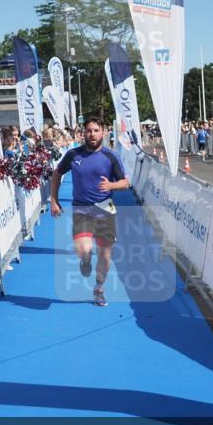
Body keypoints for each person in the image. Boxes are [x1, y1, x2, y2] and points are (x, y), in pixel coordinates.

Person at [50, 118, 129, 307]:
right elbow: (56, 173)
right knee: (84, 251)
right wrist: (54, 200)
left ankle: (99, 289)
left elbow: (126, 183)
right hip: (81, 208)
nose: (92, 134)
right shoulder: (73, 155)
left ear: (102, 132)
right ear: (83, 134)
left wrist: (111, 185)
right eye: (88, 131)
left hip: (105, 208)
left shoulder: (110, 156)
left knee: (105, 254)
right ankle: (85, 260)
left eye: (96, 130)